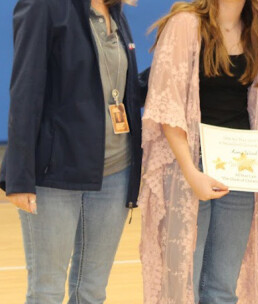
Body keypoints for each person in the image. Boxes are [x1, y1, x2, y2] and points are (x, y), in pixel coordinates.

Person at [0, 0, 148, 303]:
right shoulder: (44, 6)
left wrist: (165, 69)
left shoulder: (114, 11)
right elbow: (25, 90)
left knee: (92, 290)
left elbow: (119, 90)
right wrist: (19, 177)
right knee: (47, 291)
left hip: (115, 172)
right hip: (55, 175)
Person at [138, 0, 258, 303]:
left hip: (239, 170)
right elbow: (168, 107)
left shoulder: (256, 26)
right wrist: (192, 173)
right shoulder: (185, 24)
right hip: (189, 167)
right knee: (183, 283)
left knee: (222, 289)